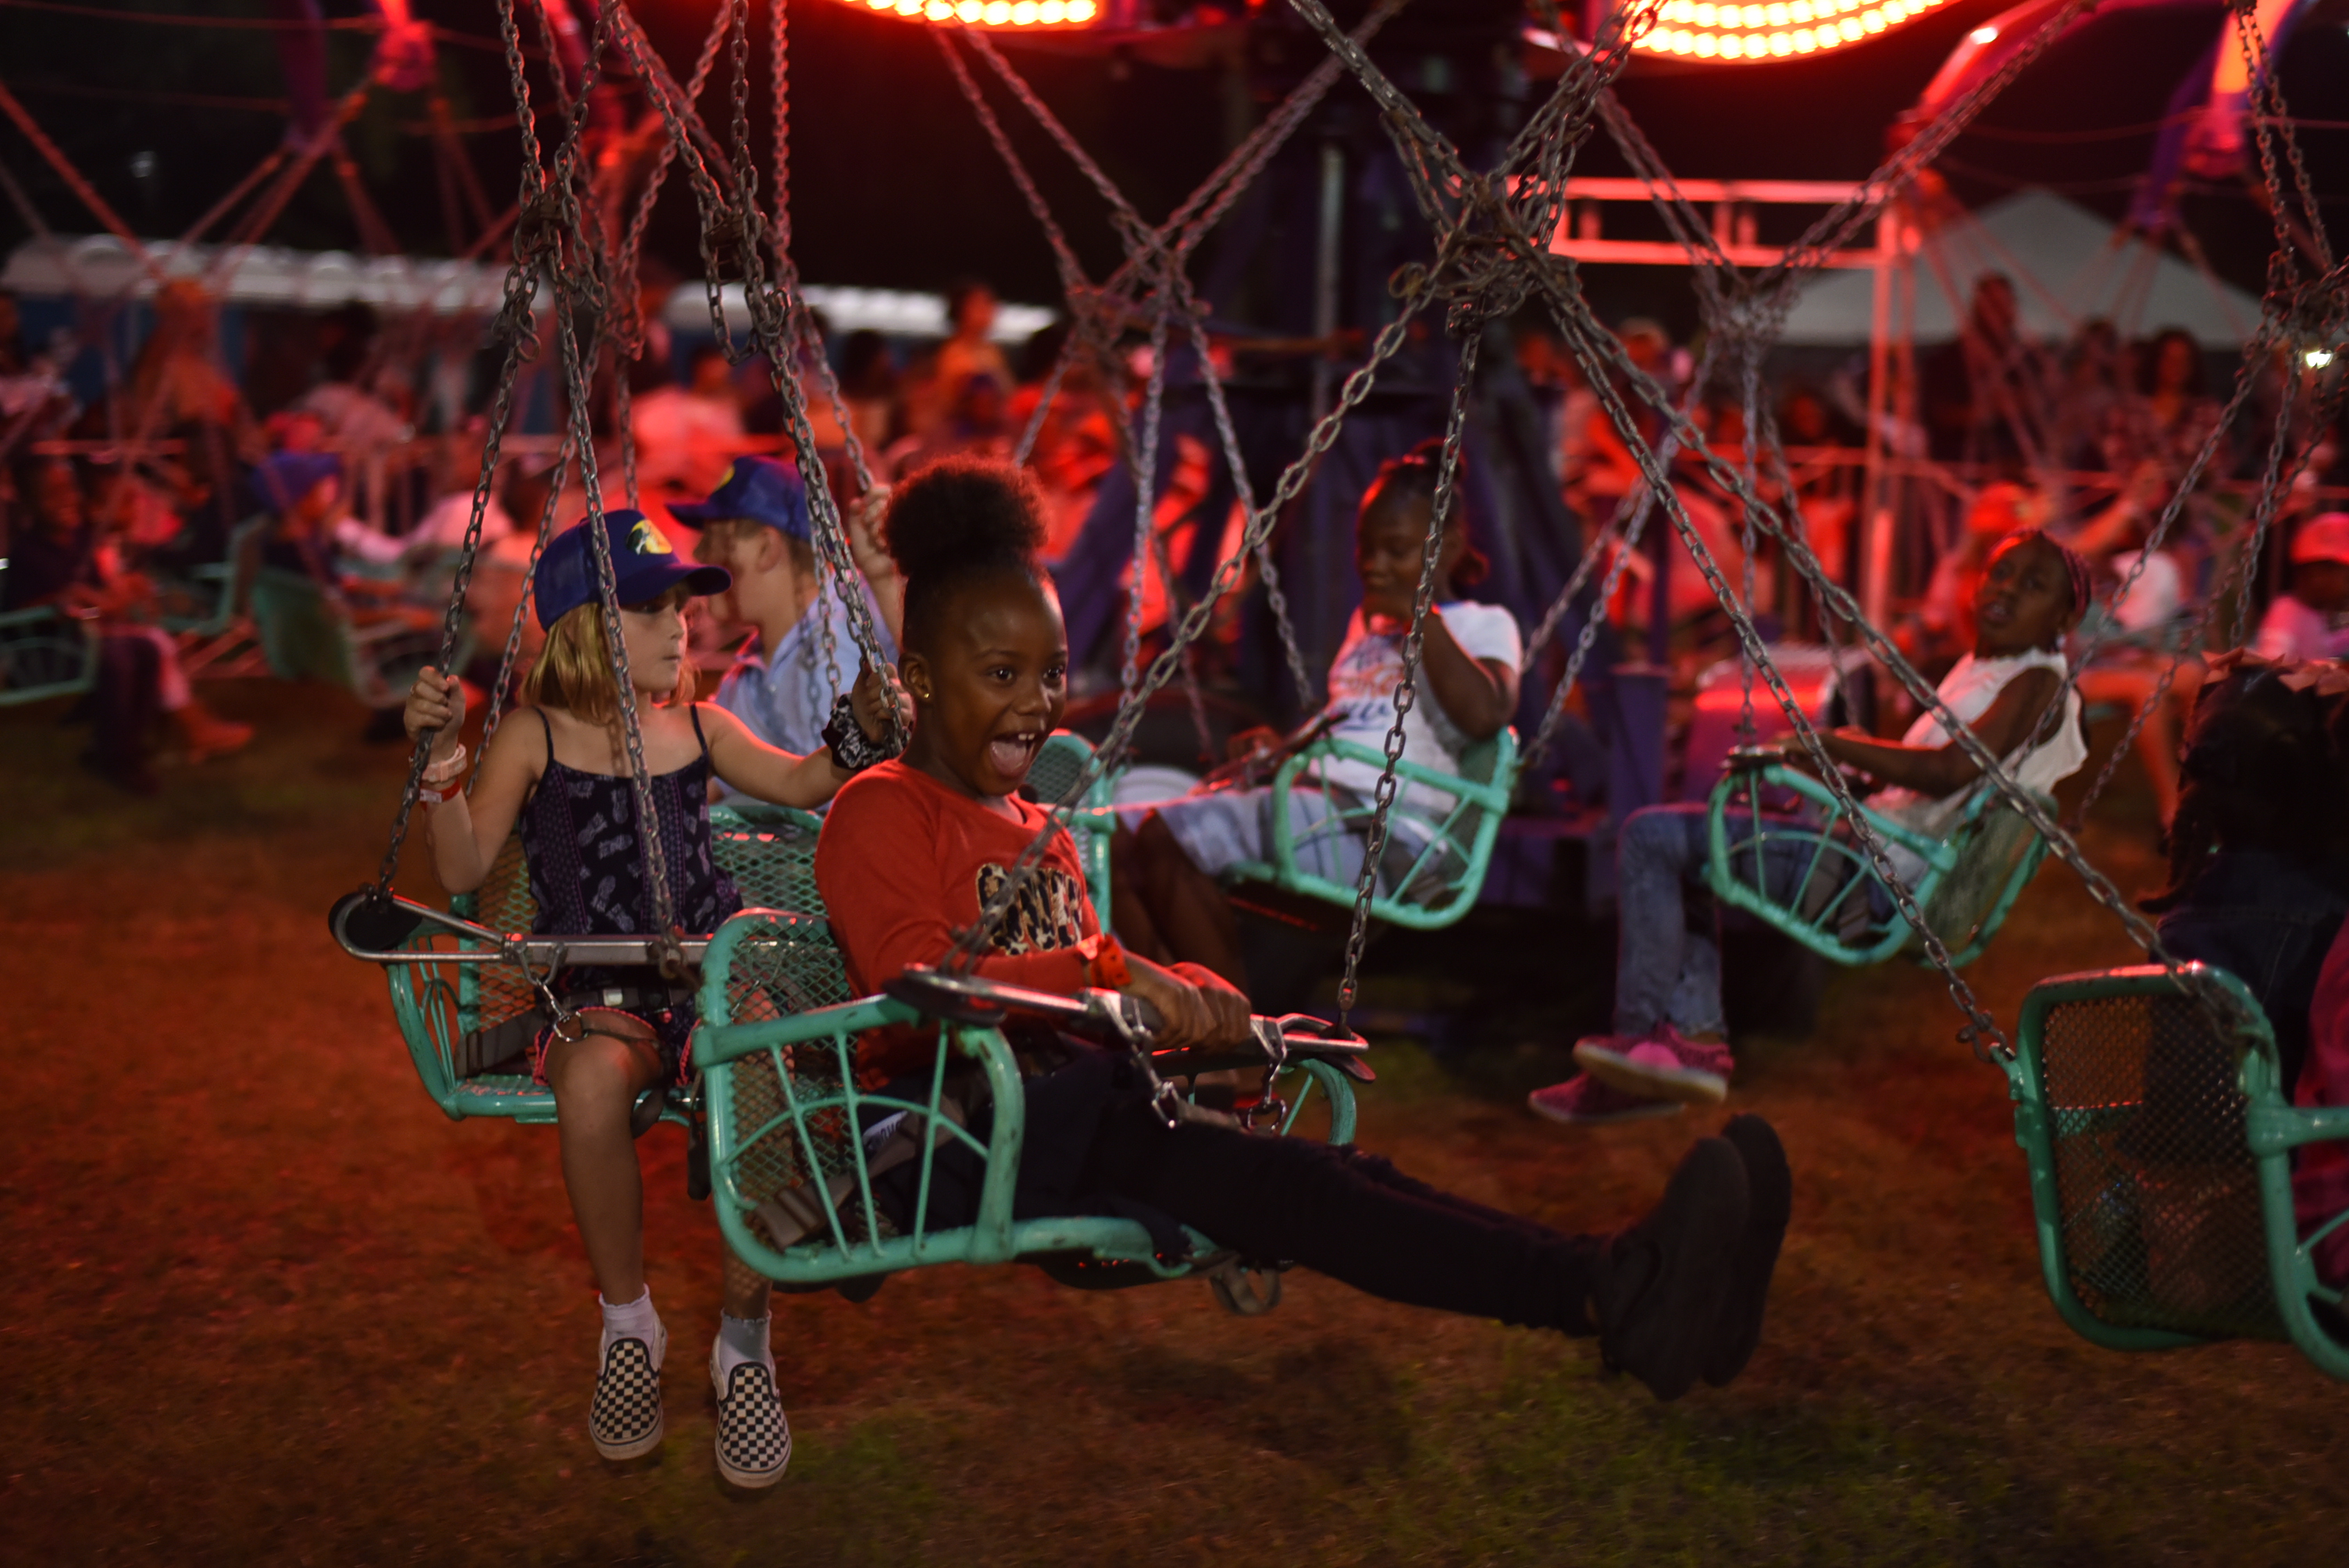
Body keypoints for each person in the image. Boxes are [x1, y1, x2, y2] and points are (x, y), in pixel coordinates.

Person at [813, 456, 1791, 1402]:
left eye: (1050, 672)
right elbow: (911, 997)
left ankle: (1643, 1291)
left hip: (1084, 1110)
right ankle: (1618, 1286)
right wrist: (1112, 976)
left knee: (1339, 1175)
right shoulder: (884, 809)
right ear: (922, 678)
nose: (1035, 703)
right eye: (999, 672)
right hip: (974, 1134)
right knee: (1302, 1191)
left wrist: (1186, 987)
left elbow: (1087, 980)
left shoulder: (1037, 828)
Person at [397, 506, 891, 1488]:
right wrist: (439, 765)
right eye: (653, 606)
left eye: (684, 605)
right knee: (587, 1080)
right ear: (586, 623)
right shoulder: (534, 736)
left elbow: (802, 784)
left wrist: (863, 722)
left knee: (757, 1061)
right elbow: (459, 862)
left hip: (712, 976)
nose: (683, 625)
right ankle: (629, 1328)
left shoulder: (699, 727)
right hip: (600, 985)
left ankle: (745, 1346)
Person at [1531, 530, 2093, 1124]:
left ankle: (1643, 1049)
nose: (2006, 589)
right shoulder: (1988, 670)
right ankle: (1686, 1044)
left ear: (2064, 615)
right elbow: (1937, 791)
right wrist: (1844, 769)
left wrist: (1835, 743)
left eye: (2033, 586)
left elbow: (1950, 771)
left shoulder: (2037, 682)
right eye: (2000, 572)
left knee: (1651, 837)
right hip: (1875, 864)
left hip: (1874, 886)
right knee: (1683, 850)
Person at [1111, 441, 1523, 990]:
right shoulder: (1367, 630)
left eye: (1397, 550)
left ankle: (1234, 1045)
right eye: (1366, 548)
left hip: (1389, 837)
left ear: (1444, 548)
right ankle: (1175, 1020)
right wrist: (1283, 747)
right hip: (1321, 808)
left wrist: (1419, 615)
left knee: (1165, 838)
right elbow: (1355, 724)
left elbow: (1487, 714)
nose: (1374, 565)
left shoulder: (1481, 624)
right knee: (1110, 840)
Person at [3, 453, 251, 788]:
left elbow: (95, 593)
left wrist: (124, 586)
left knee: (145, 648)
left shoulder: (78, 541)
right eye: (51, 494)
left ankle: (125, 745)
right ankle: (117, 761)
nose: (66, 500)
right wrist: (61, 599)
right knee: (120, 657)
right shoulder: (28, 553)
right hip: (45, 655)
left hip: (82, 638)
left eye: (71, 489)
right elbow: (15, 614)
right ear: (29, 505)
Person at [679, 455, 904, 759]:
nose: (698, 552)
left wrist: (885, 578)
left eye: (712, 538)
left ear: (766, 548)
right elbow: (704, 782)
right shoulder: (745, 685)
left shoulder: (866, 608)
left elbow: (937, 675)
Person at [2252, 512, 2349, 663]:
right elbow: (2273, 668)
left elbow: (2322, 647)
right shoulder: (2286, 614)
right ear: (2318, 575)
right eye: (2346, 580)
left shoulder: (2313, 614)